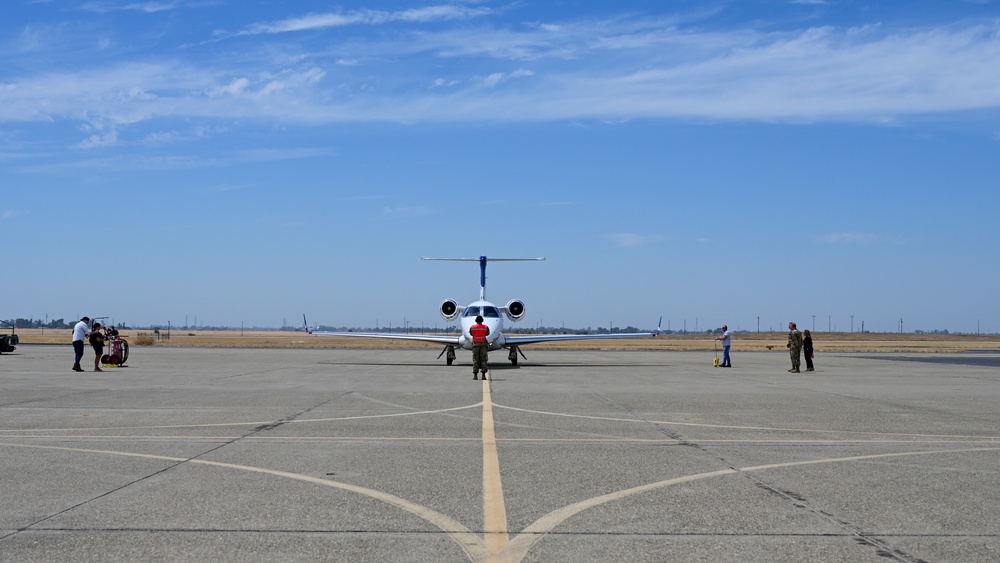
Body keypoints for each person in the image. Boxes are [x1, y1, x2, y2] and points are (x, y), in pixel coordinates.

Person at [470, 315, 490, 380]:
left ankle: (475, 375)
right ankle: (483, 375)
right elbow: (487, 333)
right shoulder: (485, 327)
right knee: (483, 360)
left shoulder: (472, 327)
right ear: (482, 321)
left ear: (476, 321)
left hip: (475, 345)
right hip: (483, 345)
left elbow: (471, 333)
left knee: (475, 359)